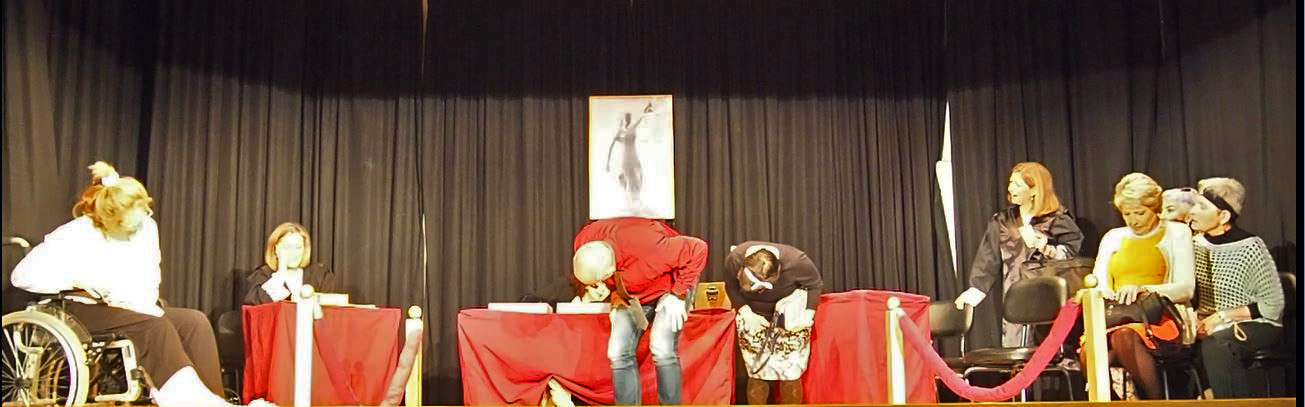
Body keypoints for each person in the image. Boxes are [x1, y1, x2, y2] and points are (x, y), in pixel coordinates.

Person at [10, 162, 269, 407]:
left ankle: (214, 398)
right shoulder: (77, 233)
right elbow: (22, 276)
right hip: (81, 309)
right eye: (134, 218)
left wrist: (142, 303)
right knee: (155, 328)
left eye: (145, 210)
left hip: (130, 306)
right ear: (112, 218)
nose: (145, 218)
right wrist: (82, 281)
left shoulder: (146, 227)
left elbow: (150, 274)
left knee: (193, 322)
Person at [572, 217, 708, 405]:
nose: (596, 287)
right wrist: (613, 295)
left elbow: (698, 248)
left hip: (671, 287)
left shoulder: (650, 248)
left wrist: (678, 294)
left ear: (609, 272)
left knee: (661, 347)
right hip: (633, 292)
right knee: (617, 352)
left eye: (597, 283)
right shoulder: (585, 240)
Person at [954, 162, 1084, 346]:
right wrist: (976, 291)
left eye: (1017, 184)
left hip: (1047, 297)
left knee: (1047, 348)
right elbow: (988, 258)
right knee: (1016, 345)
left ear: (1034, 190)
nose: (1010, 189)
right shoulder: (1003, 220)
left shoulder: (1056, 219)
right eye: (1010, 183)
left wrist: (1046, 248)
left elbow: (1072, 255)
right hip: (1015, 295)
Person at [1089, 173, 1194, 400]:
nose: (1133, 220)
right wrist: (1107, 295)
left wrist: (1143, 289)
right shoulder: (1113, 237)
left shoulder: (1177, 233)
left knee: (1124, 337)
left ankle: (1154, 401)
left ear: (1154, 208)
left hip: (1159, 319)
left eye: (1139, 213)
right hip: (1117, 317)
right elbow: (1099, 284)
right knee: (1092, 348)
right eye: (1127, 214)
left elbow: (1186, 288)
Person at [1188, 177, 1283, 398]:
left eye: (1201, 206)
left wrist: (1222, 317)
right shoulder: (1194, 244)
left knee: (1217, 345)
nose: (1192, 211)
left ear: (1223, 216)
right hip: (1207, 324)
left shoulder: (1250, 246)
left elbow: (1272, 305)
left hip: (1255, 324)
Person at [724, 242, 822, 404]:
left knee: (790, 375)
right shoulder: (735, 259)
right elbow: (731, 287)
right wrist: (744, 311)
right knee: (757, 374)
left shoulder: (797, 261)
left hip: (789, 320)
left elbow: (815, 285)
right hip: (754, 317)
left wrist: (808, 314)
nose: (758, 292)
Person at [243, 222, 336, 305]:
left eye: (298, 247)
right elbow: (258, 305)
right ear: (276, 249)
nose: (294, 253)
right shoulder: (263, 275)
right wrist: (281, 272)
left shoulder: (320, 275)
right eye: (287, 247)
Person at [605, 102, 657, 213]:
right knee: (629, 178)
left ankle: (636, 199)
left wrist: (646, 110)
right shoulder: (620, 132)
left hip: (634, 155)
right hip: (626, 158)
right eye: (626, 118)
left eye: (629, 118)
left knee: (640, 174)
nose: (628, 120)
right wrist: (608, 163)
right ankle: (630, 202)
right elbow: (611, 147)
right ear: (624, 120)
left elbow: (640, 120)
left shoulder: (632, 128)